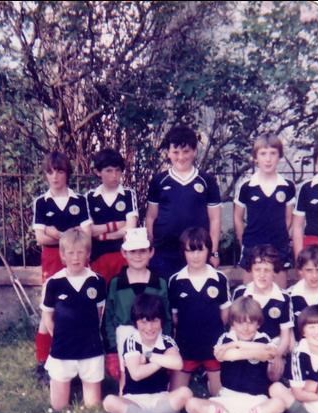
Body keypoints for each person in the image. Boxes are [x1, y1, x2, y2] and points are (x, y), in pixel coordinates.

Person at [185, 296, 286, 413]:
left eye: (251, 323)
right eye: (240, 323)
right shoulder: (225, 339)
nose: (245, 328)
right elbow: (227, 356)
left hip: (256, 400)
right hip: (227, 399)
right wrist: (252, 351)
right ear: (232, 323)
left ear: (258, 324)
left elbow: (269, 353)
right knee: (191, 404)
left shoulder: (264, 338)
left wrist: (236, 345)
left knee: (278, 404)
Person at [33, 152, 92, 384]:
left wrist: (55, 232)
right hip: (52, 260)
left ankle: (79, 357)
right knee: (49, 310)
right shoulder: (41, 202)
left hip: (77, 259)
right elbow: (39, 238)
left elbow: (86, 235)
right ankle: (43, 362)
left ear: (67, 173)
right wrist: (64, 234)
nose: (55, 177)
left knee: (79, 308)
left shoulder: (80, 200)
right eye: (50, 172)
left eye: (59, 171)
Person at [102, 293, 192, 413]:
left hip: (160, 399)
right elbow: (137, 374)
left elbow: (177, 363)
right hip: (134, 400)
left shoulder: (167, 341)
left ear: (161, 321)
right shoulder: (131, 341)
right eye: (144, 322)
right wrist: (161, 361)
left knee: (186, 393)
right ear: (136, 323)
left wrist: (149, 356)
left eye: (154, 321)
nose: (150, 327)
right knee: (109, 402)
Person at [145, 125, 221, 282]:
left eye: (186, 151)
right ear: (168, 153)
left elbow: (215, 219)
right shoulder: (159, 181)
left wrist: (213, 252)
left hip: (196, 250)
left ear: (194, 151)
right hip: (164, 252)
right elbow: (151, 217)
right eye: (175, 152)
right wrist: (150, 247)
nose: (181, 157)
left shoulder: (207, 181)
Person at [41, 228, 106, 410]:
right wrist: (59, 335)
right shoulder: (53, 283)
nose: (75, 258)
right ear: (62, 255)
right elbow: (47, 315)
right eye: (70, 253)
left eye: (80, 252)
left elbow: (99, 312)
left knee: (93, 407)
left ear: (88, 254)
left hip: (90, 348)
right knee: (58, 407)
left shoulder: (97, 281)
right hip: (63, 349)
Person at [102, 227, 171, 386]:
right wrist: (112, 350)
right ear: (124, 253)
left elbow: (166, 317)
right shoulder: (116, 283)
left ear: (151, 252)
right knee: (126, 378)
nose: (138, 256)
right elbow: (109, 318)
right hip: (125, 334)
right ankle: (126, 400)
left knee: (155, 374)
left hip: (153, 332)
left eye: (142, 251)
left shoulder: (159, 283)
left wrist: (167, 344)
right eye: (132, 251)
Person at [168, 227, 231, 397]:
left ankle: (208, 378)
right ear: (183, 252)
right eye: (190, 251)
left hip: (213, 345)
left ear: (209, 250)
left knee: (221, 396)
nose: (195, 256)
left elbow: (224, 315)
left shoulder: (219, 279)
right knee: (174, 396)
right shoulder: (175, 281)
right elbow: (175, 316)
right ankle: (195, 374)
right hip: (186, 345)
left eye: (200, 250)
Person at [234, 133, 296, 289]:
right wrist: (245, 242)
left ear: (279, 156)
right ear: (255, 157)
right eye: (263, 154)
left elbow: (289, 218)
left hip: (278, 246)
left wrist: (281, 237)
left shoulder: (287, 186)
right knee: (249, 297)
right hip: (252, 246)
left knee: (279, 295)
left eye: (273, 153)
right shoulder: (246, 186)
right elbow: (238, 217)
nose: (268, 159)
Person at [269, 305, 318, 413]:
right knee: (276, 388)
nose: (317, 332)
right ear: (303, 332)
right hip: (304, 406)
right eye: (312, 327)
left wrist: (315, 387)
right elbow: (298, 393)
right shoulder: (299, 352)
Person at [232, 245, 294, 381]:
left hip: (271, 347)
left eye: (267, 270)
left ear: (274, 272)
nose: (262, 274)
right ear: (251, 271)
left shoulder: (284, 298)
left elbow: (285, 335)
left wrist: (277, 355)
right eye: (257, 269)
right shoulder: (240, 293)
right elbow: (233, 327)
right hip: (246, 344)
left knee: (272, 374)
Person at [86, 148, 138, 284]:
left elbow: (130, 228)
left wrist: (103, 235)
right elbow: (89, 230)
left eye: (117, 170)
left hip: (122, 255)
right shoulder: (90, 197)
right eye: (108, 170)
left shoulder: (128, 194)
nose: (114, 175)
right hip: (98, 257)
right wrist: (115, 225)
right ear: (98, 172)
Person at [292, 133, 318, 284]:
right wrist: (299, 259)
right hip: (315, 248)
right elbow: (297, 226)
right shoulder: (307, 188)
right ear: (316, 163)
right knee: (316, 293)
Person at [289, 245, 318, 342]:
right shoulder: (289, 296)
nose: (314, 276)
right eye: (309, 270)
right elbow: (288, 331)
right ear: (300, 271)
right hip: (299, 349)